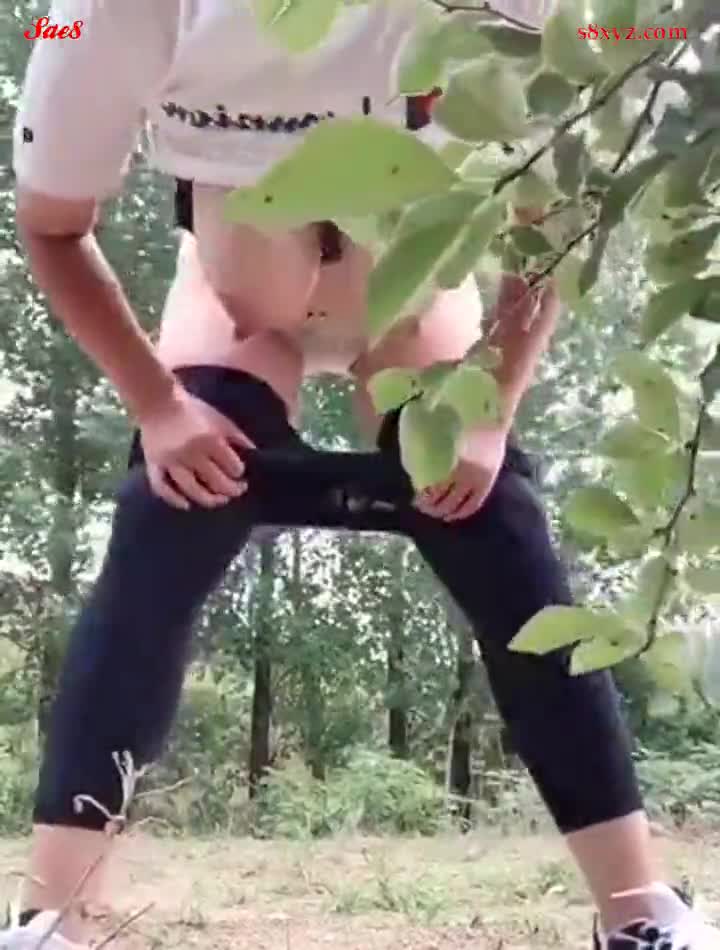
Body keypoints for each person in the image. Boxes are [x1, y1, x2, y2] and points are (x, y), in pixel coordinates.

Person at [6, 2, 718, 948]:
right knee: (163, 517)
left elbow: (561, 200)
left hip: (414, 311)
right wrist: (158, 406)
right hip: (237, 312)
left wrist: (493, 413)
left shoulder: (523, 9)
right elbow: (52, 226)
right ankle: (52, 919)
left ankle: (640, 914)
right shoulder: (100, 16)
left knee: (500, 529)